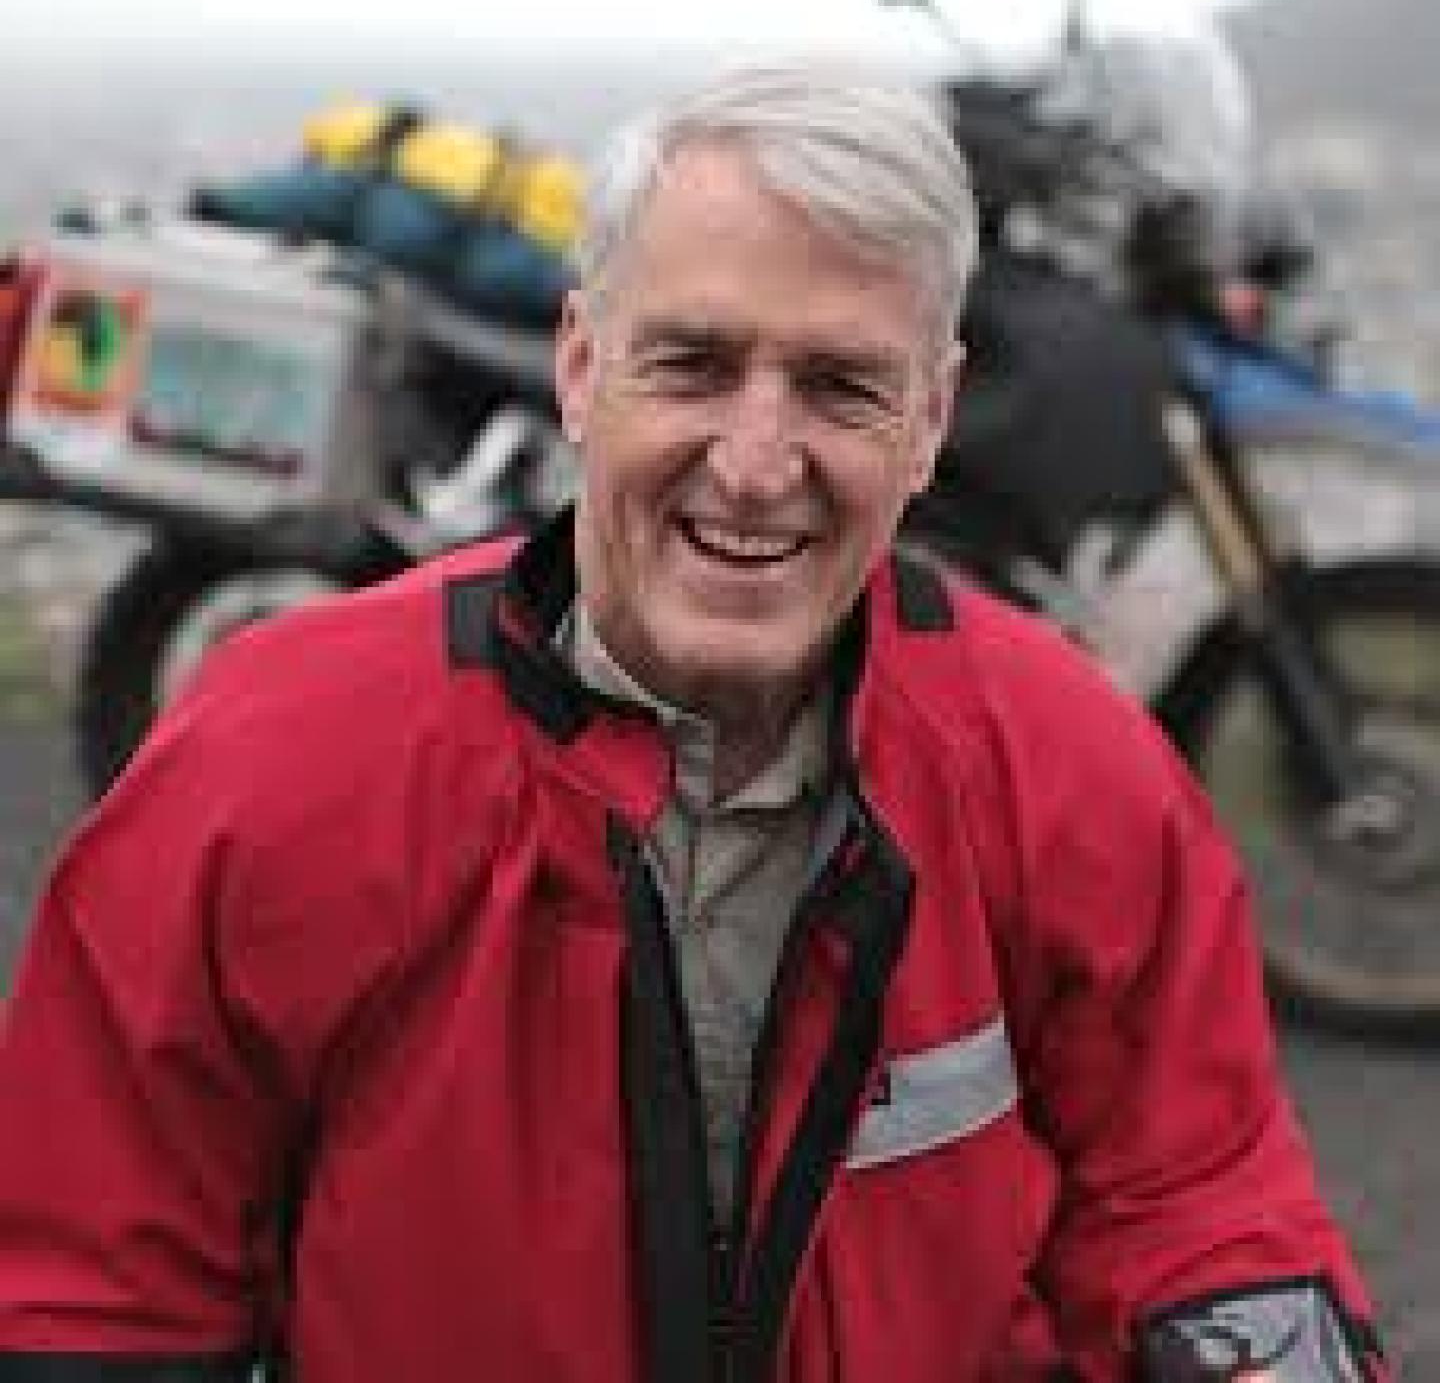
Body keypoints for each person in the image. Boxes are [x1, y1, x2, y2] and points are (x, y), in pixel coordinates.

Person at [0, 67, 1386, 1383]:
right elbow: (99, 1285)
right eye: (693, 365)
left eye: (842, 385)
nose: (757, 463)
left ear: (931, 419)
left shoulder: (1072, 772)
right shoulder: (272, 763)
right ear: (582, 365)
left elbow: (1195, 1203)